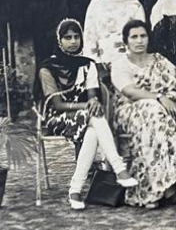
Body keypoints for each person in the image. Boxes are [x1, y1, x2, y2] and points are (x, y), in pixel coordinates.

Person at [35, 19, 137, 210]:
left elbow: (92, 95)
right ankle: (119, 169)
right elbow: (57, 104)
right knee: (94, 118)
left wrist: (94, 101)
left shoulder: (87, 65)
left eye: (76, 37)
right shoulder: (47, 67)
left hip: (82, 115)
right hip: (55, 117)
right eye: (67, 38)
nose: (73, 41)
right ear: (59, 41)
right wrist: (87, 105)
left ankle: (75, 190)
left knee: (93, 129)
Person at [111, 19, 176, 208]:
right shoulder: (120, 64)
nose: (139, 40)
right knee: (152, 109)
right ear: (126, 41)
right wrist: (158, 97)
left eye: (143, 36)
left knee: (154, 117)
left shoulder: (159, 60)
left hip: (158, 116)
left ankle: (154, 189)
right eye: (134, 37)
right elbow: (130, 92)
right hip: (128, 112)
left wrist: (166, 100)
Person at [82, 0, 145, 68]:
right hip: (102, 62)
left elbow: (140, 35)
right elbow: (89, 38)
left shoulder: (134, 5)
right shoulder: (95, 6)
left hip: (130, 62)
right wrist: (95, 65)